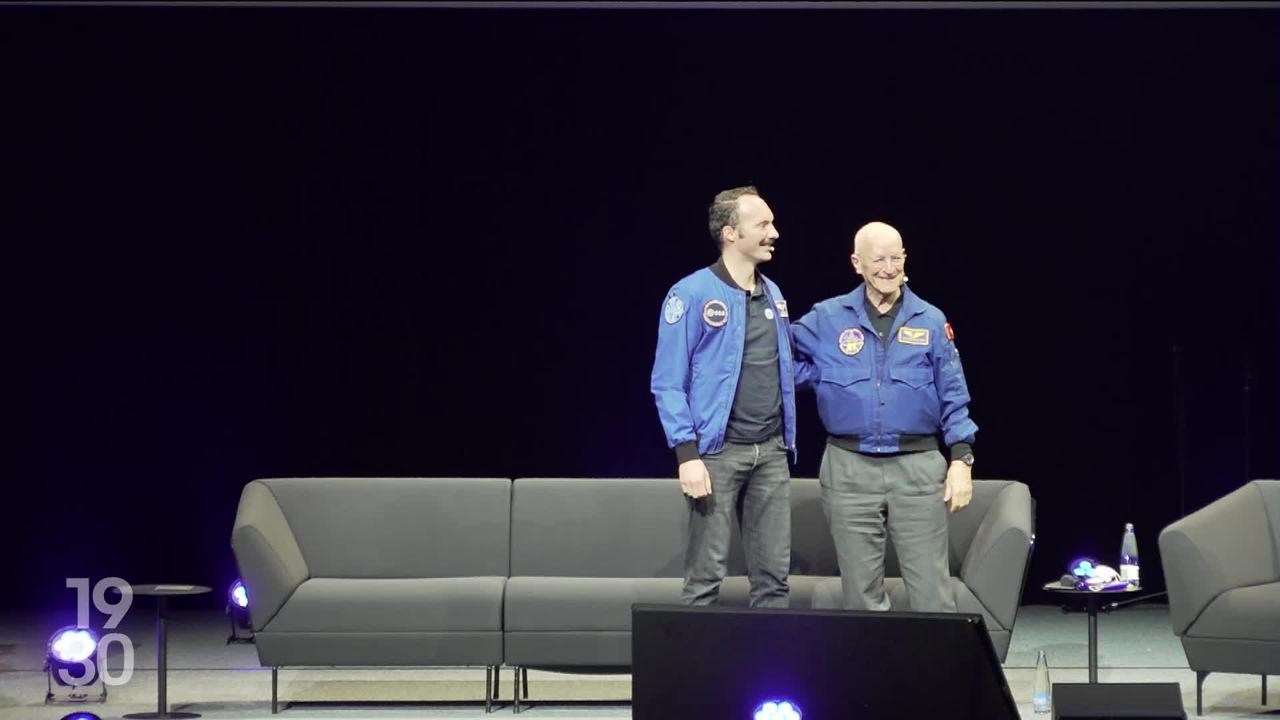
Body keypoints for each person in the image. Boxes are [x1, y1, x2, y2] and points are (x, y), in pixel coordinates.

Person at [791, 220, 976, 612]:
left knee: (932, 594)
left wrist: (961, 459)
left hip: (918, 469)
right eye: (879, 259)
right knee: (860, 596)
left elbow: (954, 395)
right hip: (848, 468)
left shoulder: (928, 320)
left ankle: (937, 674)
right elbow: (776, 355)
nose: (889, 268)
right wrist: (819, 374)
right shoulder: (827, 317)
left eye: (897, 257)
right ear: (857, 263)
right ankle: (875, 675)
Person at [650, 186, 798, 607]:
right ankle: (694, 674)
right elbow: (667, 381)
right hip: (716, 455)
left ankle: (769, 671)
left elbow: (785, 366)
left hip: (770, 453)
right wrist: (687, 454)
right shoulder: (691, 293)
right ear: (731, 233)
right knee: (704, 581)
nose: (775, 232)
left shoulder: (774, 294)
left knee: (774, 581)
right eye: (763, 225)